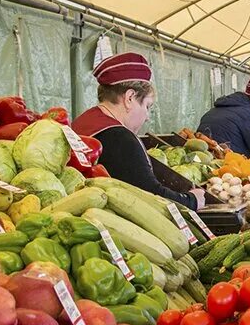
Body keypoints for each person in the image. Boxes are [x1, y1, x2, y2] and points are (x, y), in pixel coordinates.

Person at [71, 52, 205, 209]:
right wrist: (191, 200)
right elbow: (150, 195)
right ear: (129, 98)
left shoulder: (81, 122)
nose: (147, 117)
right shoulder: (120, 138)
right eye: (147, 106)